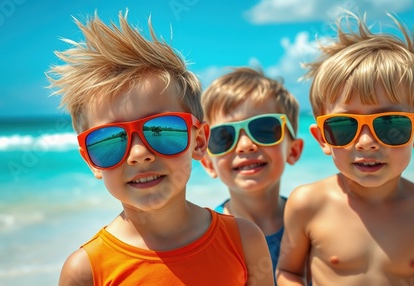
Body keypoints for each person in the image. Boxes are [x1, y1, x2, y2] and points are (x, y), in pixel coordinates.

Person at [47, 11, 274, 285]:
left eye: (162, 130)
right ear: (91, 161)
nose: (139, 153)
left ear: (199, 142)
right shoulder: (86, 271)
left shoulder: (244, 239)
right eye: (110, 140)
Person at [276, 10, 414, 286]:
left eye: (390, 124)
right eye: (344, 126)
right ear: (323, 138)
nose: (366, 141)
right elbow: (289, 272)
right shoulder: (307, 204)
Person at [200, 67, 304, 280]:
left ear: (293, 151)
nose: (245, 145)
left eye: (264, 130)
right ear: (208, 164)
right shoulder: (206, 237)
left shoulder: (311, 223)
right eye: (224, 136)